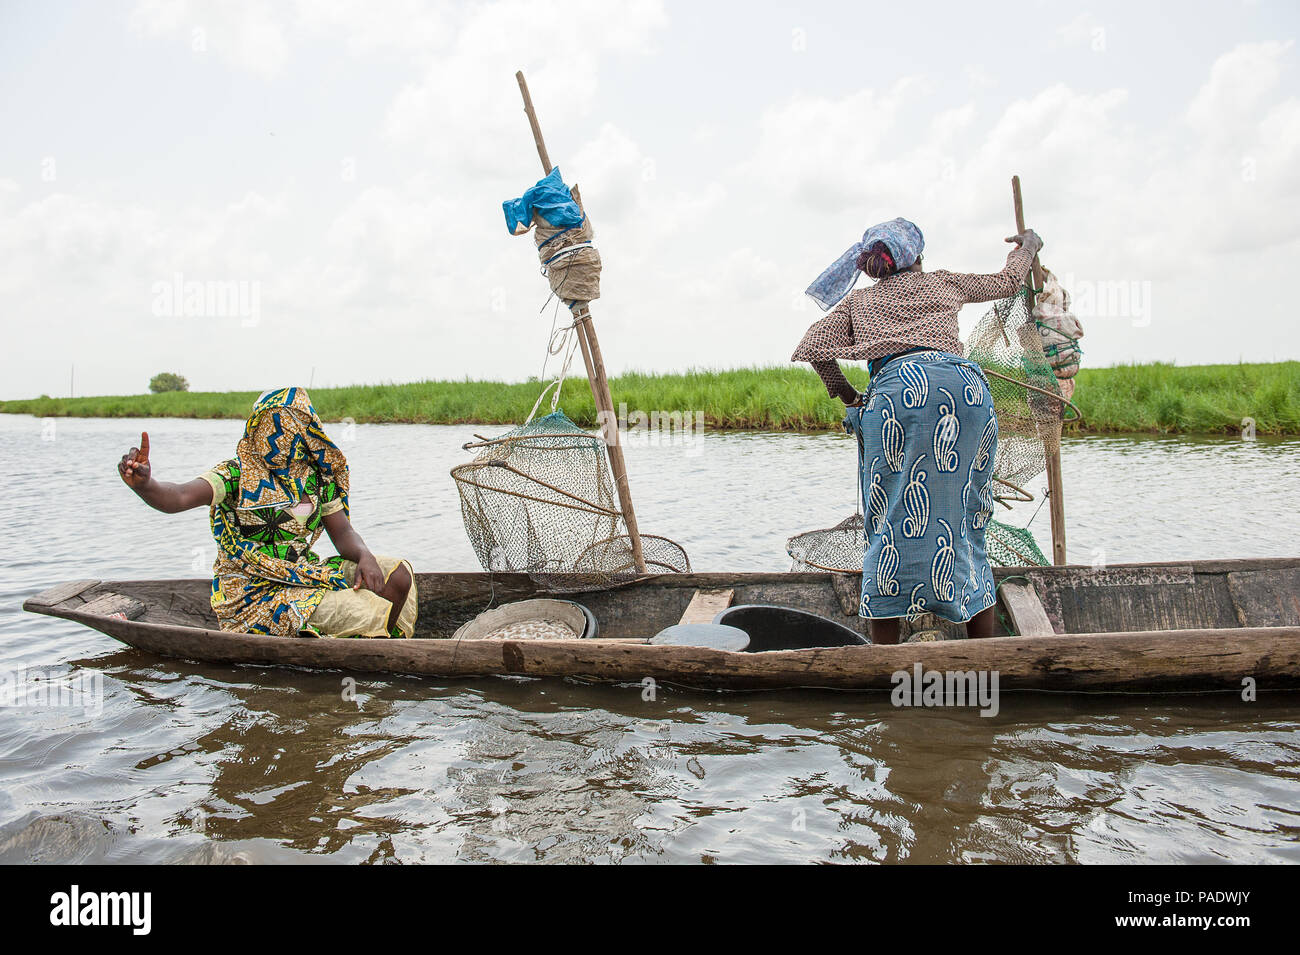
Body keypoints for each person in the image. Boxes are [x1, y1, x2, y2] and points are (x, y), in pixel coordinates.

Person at [792, 217, 1042, 644]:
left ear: (872, 266)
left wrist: (848, 394)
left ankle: (885, 658)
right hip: (964, 393)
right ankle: (981, 650)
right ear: (918, 259)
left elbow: (814, 345)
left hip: (895, 396)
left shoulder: (858, 305)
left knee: (888, 516)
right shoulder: (944, 283)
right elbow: (1008, 281)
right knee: (968, 514)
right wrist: (1029, 247)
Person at [117, 387, 417, 639]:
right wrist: (145, 485)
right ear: (255, 427)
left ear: (304, 432)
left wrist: (364, 555)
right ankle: (370, 652)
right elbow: (179, 496)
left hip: (301, 574)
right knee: (364, 609)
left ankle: (373, 646)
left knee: (398, 575)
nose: (275, 437)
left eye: (285, 428)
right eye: (267, 427)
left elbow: (343, 533)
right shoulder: (237, 473)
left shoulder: (316, 478)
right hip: (253, 593)